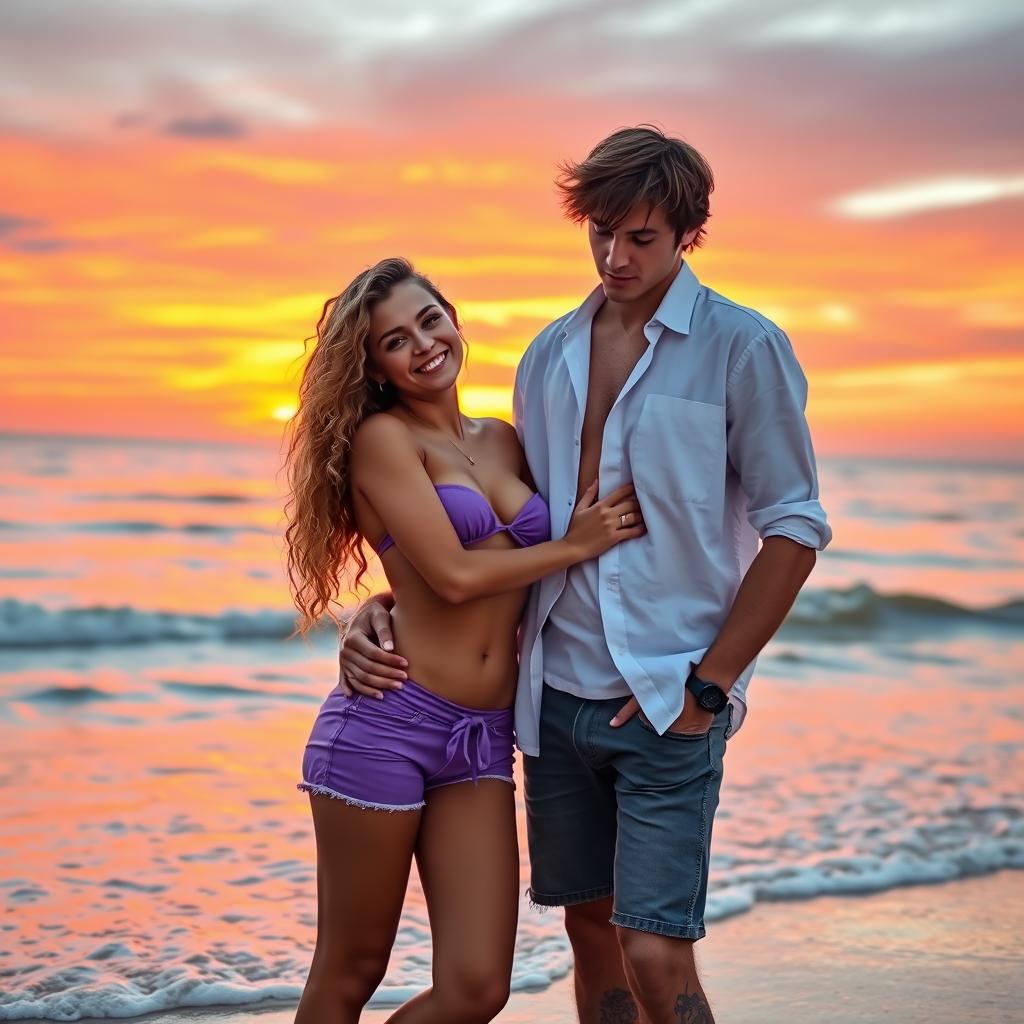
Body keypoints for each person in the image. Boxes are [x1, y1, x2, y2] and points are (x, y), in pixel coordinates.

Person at [340, 126, 833, 1024]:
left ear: (688, 232)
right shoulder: (548, 356)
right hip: (553, 700)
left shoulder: (742, 347)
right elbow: (492, 537)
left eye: (640, 237)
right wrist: (384, 604)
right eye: (600, 231)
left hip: (668, 695)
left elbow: (794, 527)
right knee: (593, 932)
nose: (615, 255)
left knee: (655, 949)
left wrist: (710, 686)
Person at [283, 256, 646, 1024]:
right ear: (373, 367)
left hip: (482, 737)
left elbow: (487, 577)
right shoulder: (385, 440)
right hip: (389, 721)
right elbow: (448, 574)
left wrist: (373, 605)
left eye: (428, 319)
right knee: (350, 969)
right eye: (393, 341)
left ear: (453, 318)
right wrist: (575, 544)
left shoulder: (507, 440)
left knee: (478, 989)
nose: (421, 344)